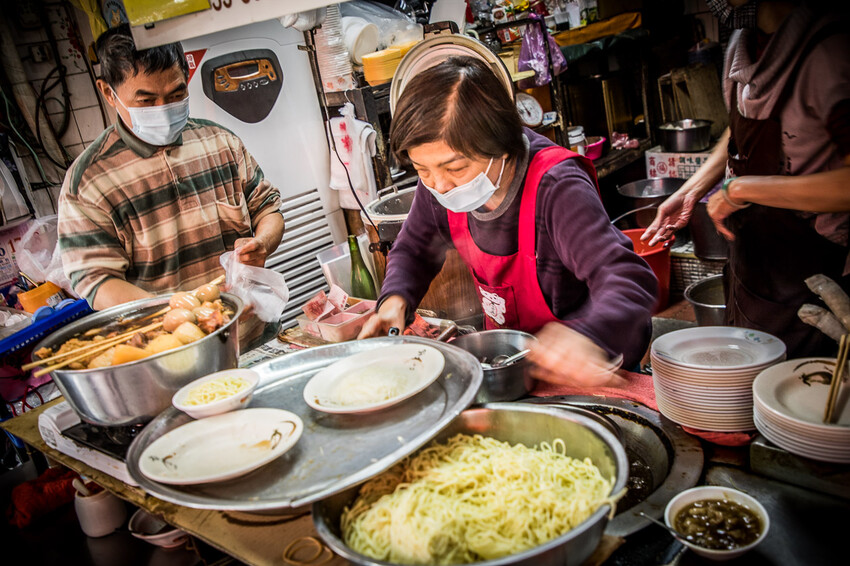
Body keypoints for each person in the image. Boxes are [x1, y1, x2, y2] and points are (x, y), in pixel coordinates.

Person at [358, 56, 658, 387]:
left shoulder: (557, 187)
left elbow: (628, 279)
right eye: (422, 169)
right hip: (515, 368)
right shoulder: (440, 187)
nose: (439, 185)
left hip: (588, 371)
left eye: (455, 168)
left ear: (501, 144)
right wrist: (394, 300)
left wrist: (586, 337)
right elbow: (413, 249)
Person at [642, 1, 850, 357]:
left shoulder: (830, 52)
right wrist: (692, 190)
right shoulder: (743, 44)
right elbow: (738, 132)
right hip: (753, 264)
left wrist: (739, 190)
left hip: (814, 273)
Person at [58, 25, 284, 310]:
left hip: (249, 324)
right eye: (147, 101)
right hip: (174, 344)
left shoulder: (220, 142)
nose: (164, 109)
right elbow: (96, 282)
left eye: (176, 95)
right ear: (108, 92)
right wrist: (180, 308)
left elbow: (268, 210)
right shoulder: (89, 182)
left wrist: (262, 242)